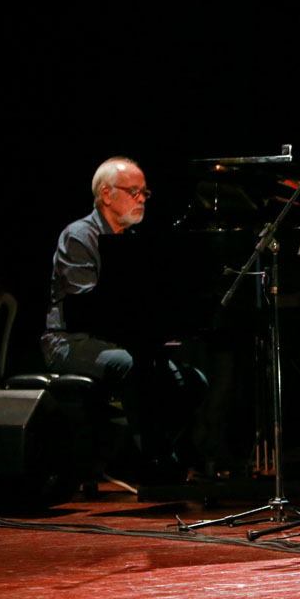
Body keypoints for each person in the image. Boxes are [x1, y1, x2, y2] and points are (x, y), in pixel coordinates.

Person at [42, 156, 204, 482]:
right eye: (134, 191)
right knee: (136, 367)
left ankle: (140, 456)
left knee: (193, 381)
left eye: (145, 192)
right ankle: (150, 461)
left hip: (120, 340)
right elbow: (83, 307)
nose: (142, 198)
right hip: (71, 342)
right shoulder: (78, 236)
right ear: (106, 194)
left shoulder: (133, 241)